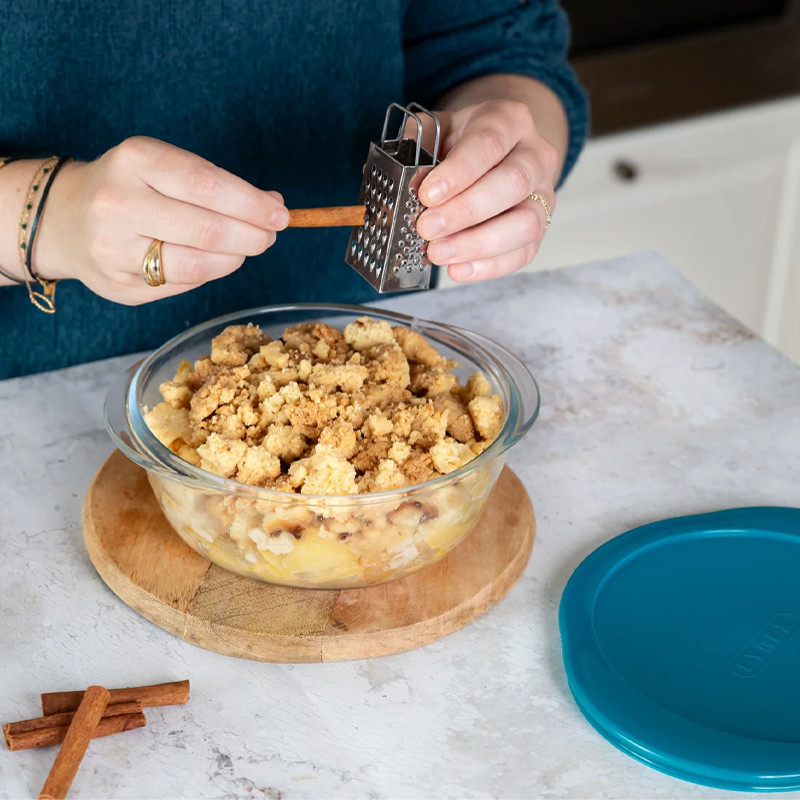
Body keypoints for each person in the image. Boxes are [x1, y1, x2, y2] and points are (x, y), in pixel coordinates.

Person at [0, 0, 587, 380]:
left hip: (363, 356)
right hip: (31, 403)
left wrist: (511, 157)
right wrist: (42, 215)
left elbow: (499, 46)